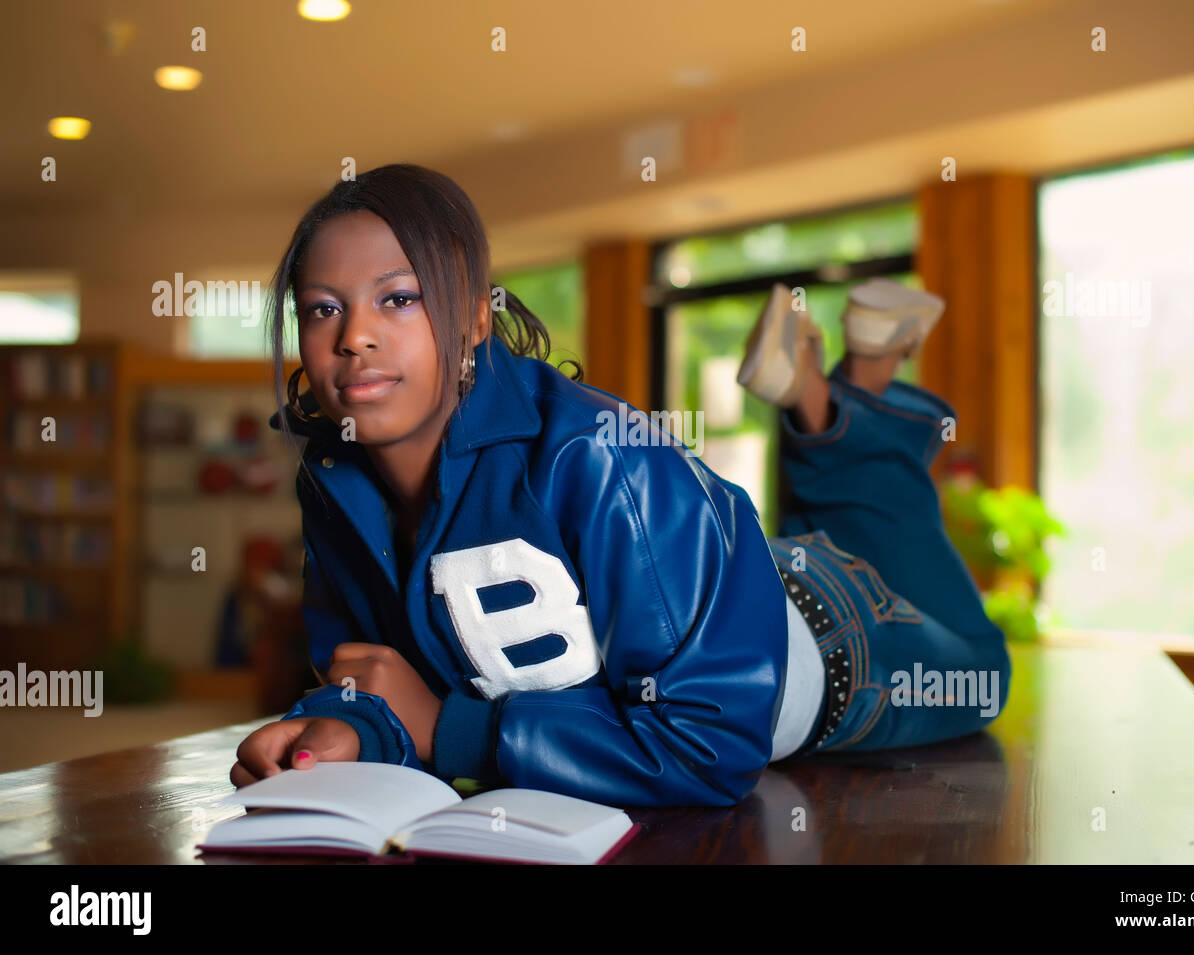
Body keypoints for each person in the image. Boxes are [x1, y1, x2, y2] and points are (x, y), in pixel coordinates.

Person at [228, 163, 1010, 807]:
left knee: (980, 664)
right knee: (860, 524)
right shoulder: (334, 478)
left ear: (473, 317)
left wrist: (448, 730)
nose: (354, 335)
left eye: (399, 298)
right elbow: (385, 674)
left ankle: (851, 381)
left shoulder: (593, 452)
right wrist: (342, 727)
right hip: (730, 580)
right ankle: (836, 382)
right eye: (323, 308)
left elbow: (709, 743)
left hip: (829, 637)